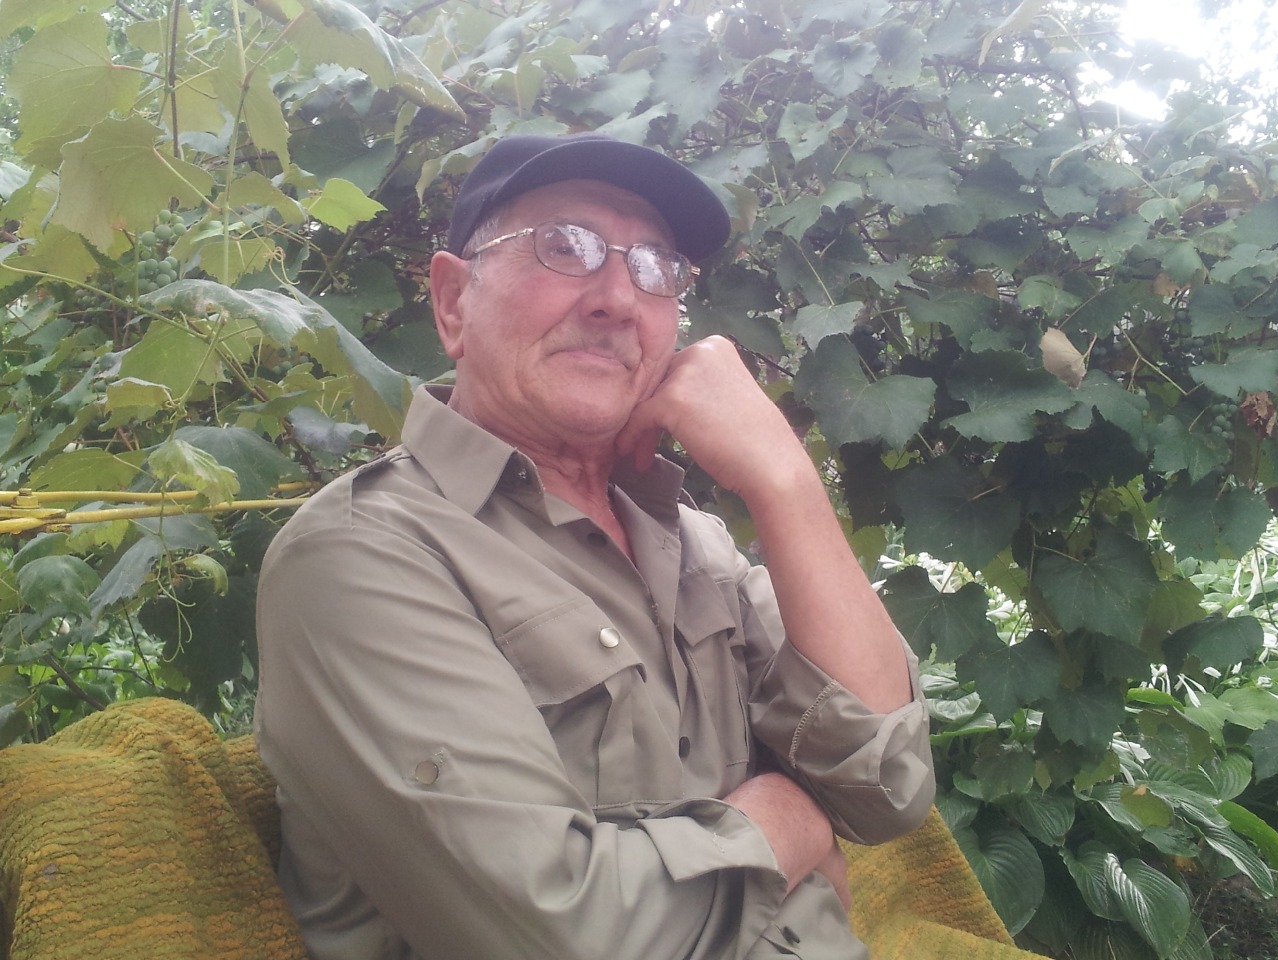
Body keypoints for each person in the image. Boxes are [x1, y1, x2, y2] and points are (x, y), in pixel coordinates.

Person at [254, 131, 935, 960]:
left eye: (656, 267)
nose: (618, 297)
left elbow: (885, 784)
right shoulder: (361, 555)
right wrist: (794, 817)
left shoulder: (694, 542)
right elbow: (572, 938)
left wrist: (785, 481)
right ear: (453, 302)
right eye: (565, 245)